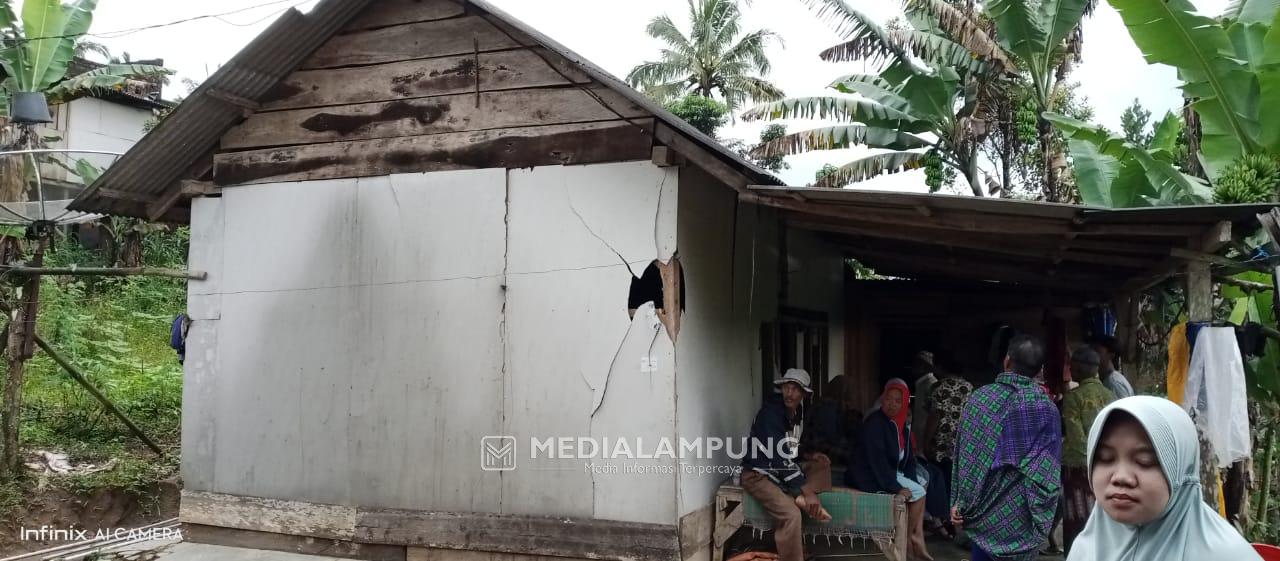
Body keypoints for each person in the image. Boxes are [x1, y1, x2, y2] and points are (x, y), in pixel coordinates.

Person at [1066, 397, 1263, 561]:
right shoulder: (1086, 549)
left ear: (1181, 472)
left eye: (1145, 461)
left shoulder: (1227, 556)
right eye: (1105, 458)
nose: (1121, 477)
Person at [951, 335, 1062, 561]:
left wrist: (960, 501)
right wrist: (1041, 518)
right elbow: (1047, 475)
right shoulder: (1046, 409)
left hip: (980, 512)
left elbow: (965, 457)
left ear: (1006, 360)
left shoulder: (979, 400)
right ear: (1039, 370)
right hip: (1022, 517)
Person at [740, 368, 832, 561]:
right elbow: (779, 459)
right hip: (758, 475)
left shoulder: (796, 413)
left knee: (821, 465)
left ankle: (802, 495)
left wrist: (810, 454)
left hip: (780, 472)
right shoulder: (770, 414)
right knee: (791, 515)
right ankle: (802, 498)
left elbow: (791, 450)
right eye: (786, 387)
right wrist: (805, 491)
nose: (790, 393)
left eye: (795, 389)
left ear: (804, 394)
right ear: (781, 389)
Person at [848, 379, 934, 561]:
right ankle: (906, 539)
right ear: (882, 399)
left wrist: (911, 481)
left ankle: (911, 538)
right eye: (889, 399)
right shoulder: (875, 423)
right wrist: (895, 487)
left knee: (920, 485)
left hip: (890, 472)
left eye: (898, 401)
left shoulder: (900, 425)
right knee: (917, 492)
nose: (892, 404)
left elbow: (909, 460)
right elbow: (876, 461)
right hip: (868, 475)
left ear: (904, 404)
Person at [1060, 346, 1117, 553]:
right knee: (1102, 517)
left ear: (1081, 368)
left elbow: (1076, 439)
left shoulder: (1073, 397)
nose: (1070, 369)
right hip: (1106, 465)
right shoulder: (1110, 395)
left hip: (1079, 469)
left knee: (1077, 519)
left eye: (1072, 365)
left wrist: (1086, 463)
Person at [911, 351, 938, 447]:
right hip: (918, 429)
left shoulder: (931, 384)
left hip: (924, 431)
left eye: (917, 363)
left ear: (925, 367)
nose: (913, 366)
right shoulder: (921, 383)